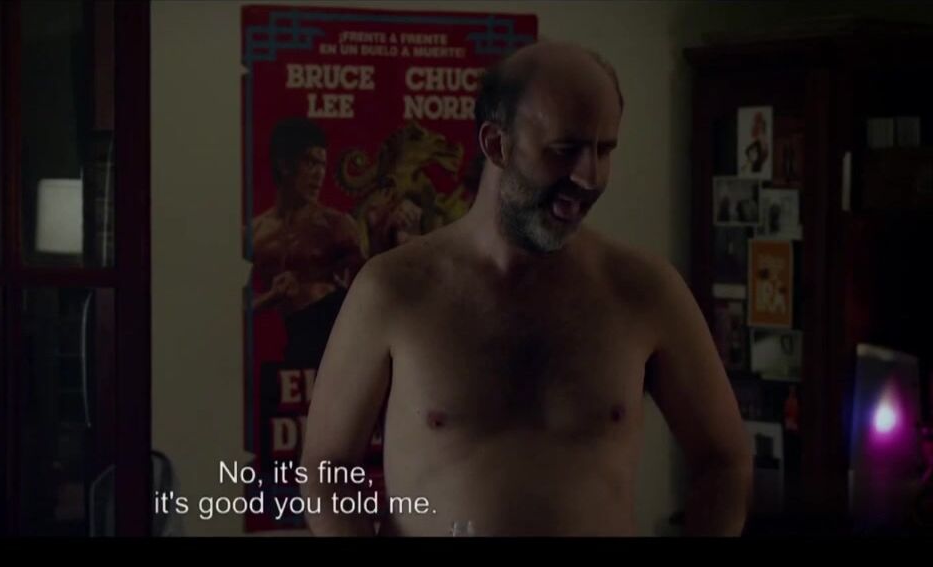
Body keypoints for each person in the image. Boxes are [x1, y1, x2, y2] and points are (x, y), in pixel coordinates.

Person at [299, 41, 753, 537]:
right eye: (565, 150)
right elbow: (326, 471)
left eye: (604, 150)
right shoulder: (394, 289)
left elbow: (724, 460)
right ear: (496, 144)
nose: (590, 177)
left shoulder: (645, 290)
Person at [250, 117, 365, 367]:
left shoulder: (337, 226)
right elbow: (231, 311)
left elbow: (368, 298)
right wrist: (272, 296)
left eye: (322, 165)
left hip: (328, 355)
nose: (319, 174)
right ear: (285, 165)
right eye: (311, 162)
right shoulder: (254, 233)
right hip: (274, 357)